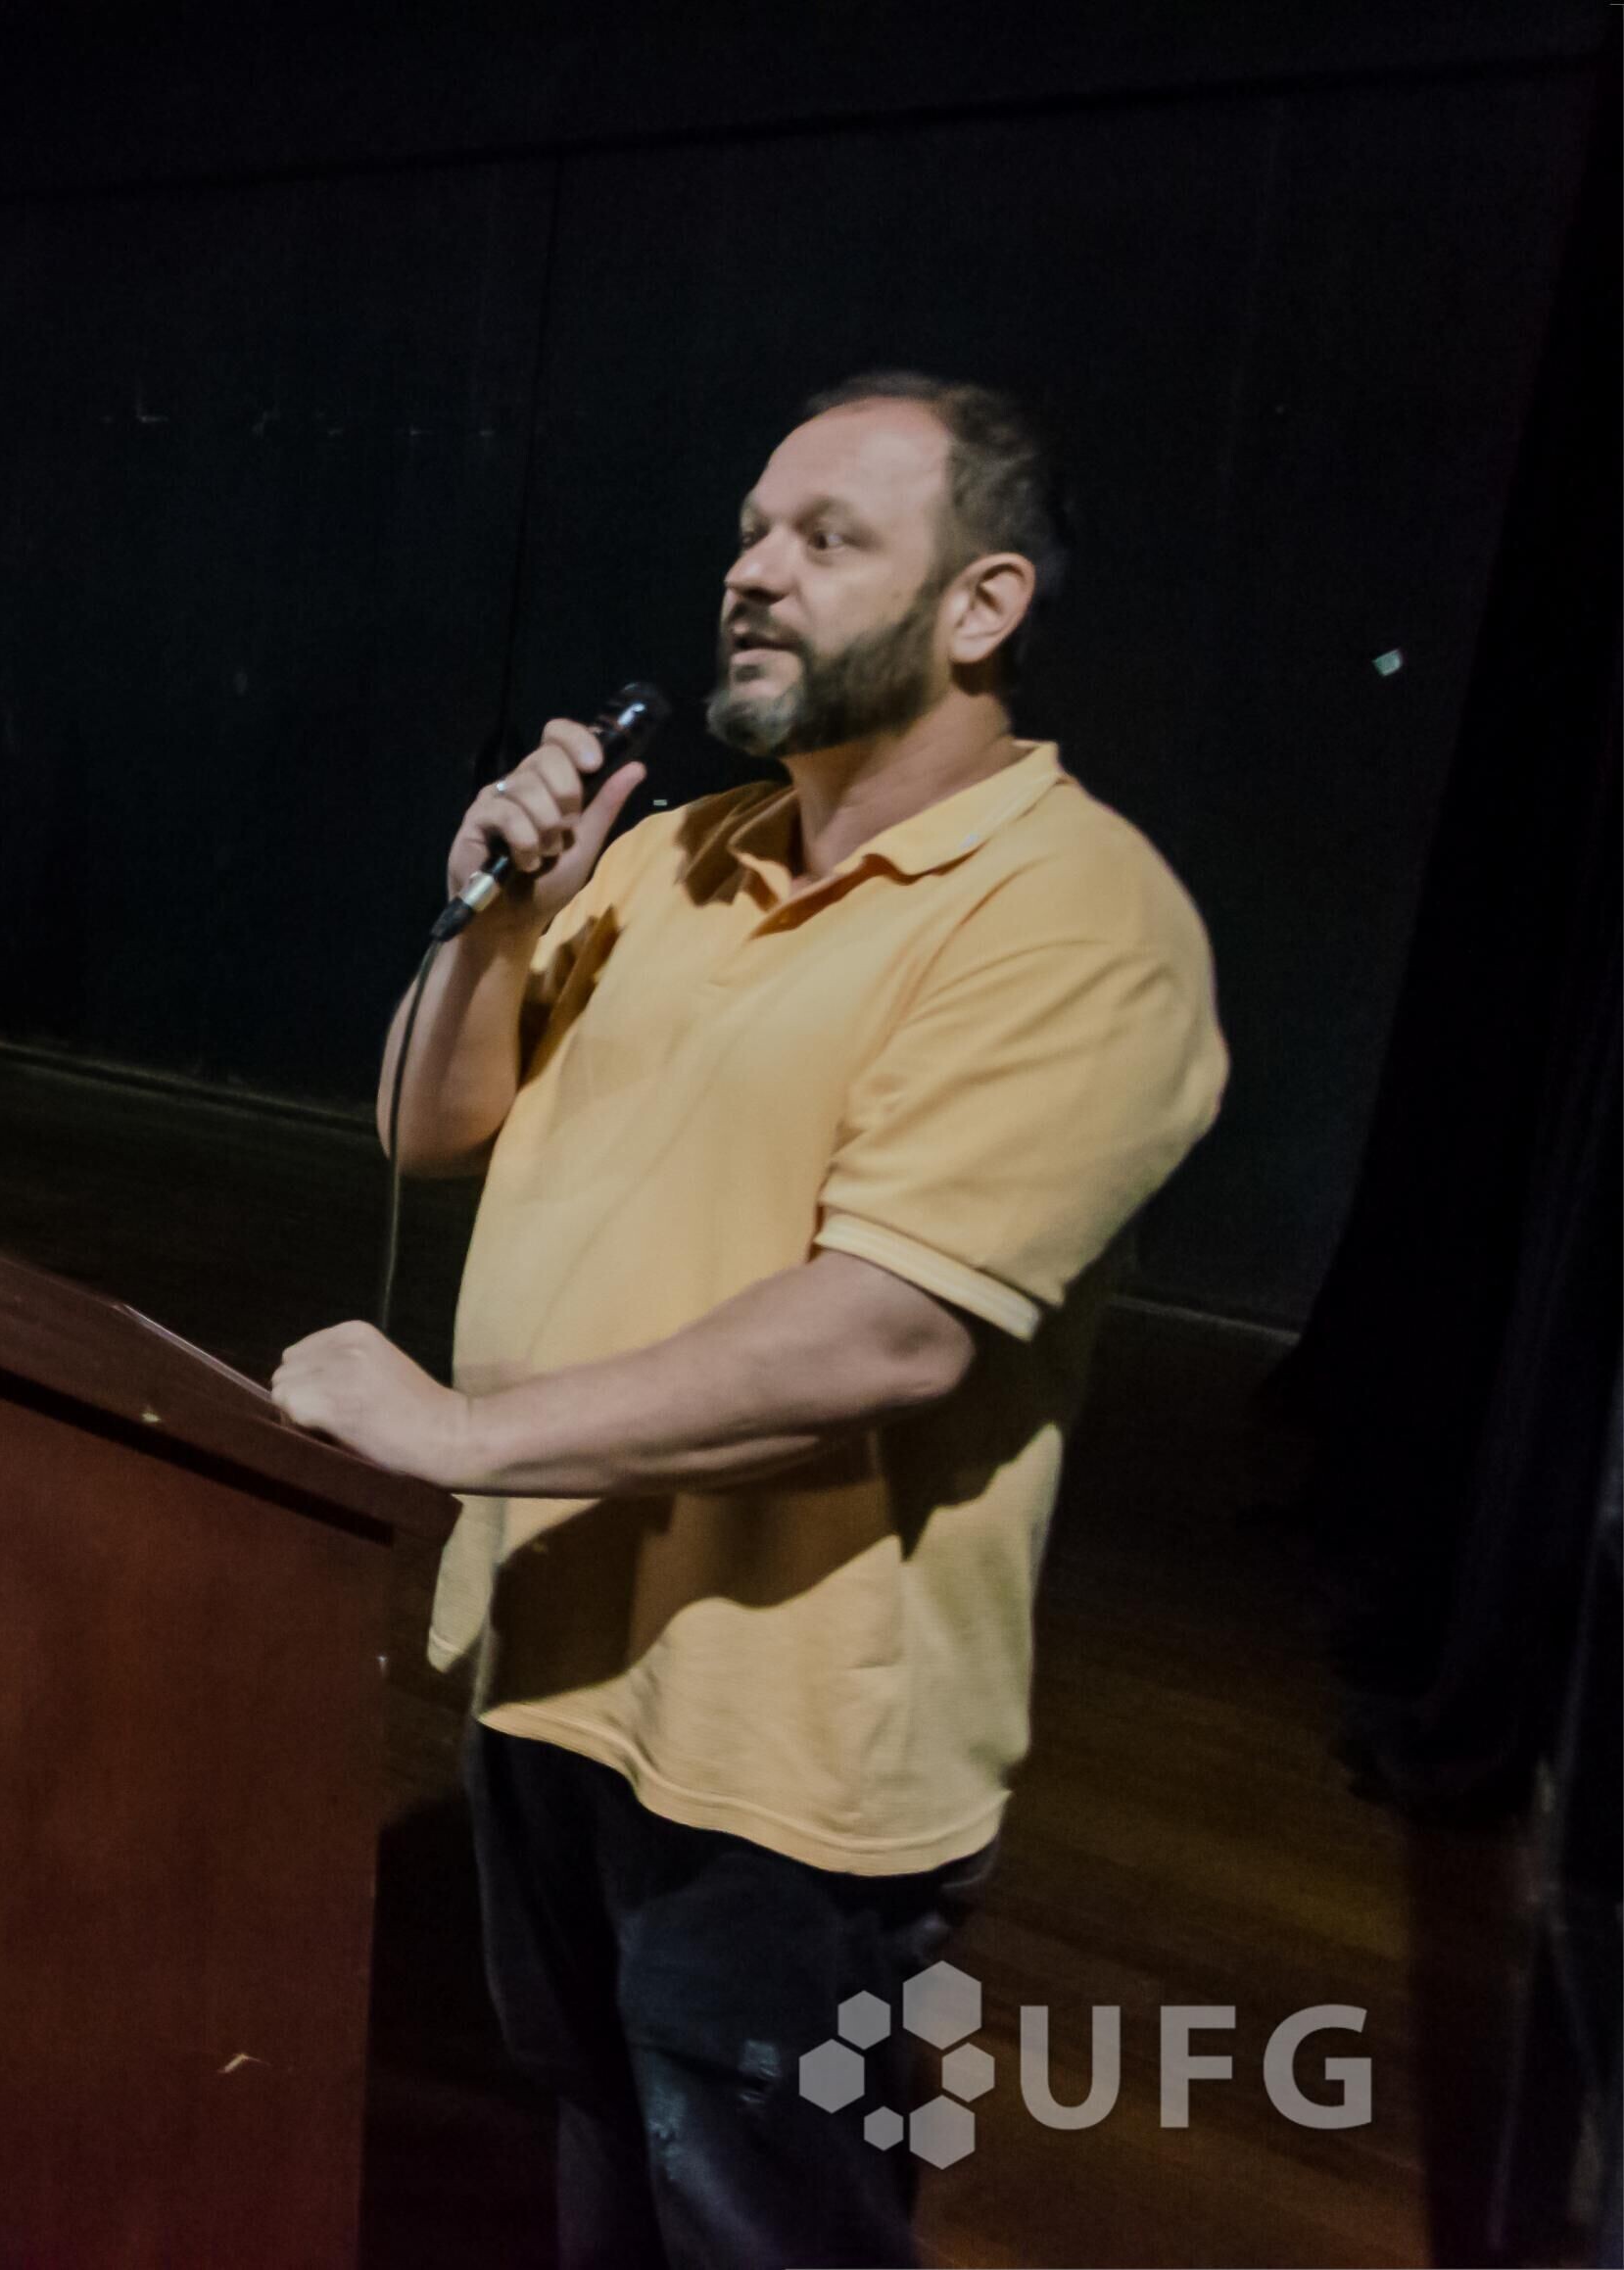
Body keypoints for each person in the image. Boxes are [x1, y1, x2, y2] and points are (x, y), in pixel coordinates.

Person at [271, 374, 1224, 2269]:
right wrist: (494, 913)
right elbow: (422, 1123)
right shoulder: (666, 856)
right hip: (556, 1660)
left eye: (826, 539)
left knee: (764, 2218)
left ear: (983, 602)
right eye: (749, 535)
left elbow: (890, 1337)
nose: (754, 574)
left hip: (791, 1757)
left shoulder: (1074, 914)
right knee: (602, 2152)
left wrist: (458, 1433)